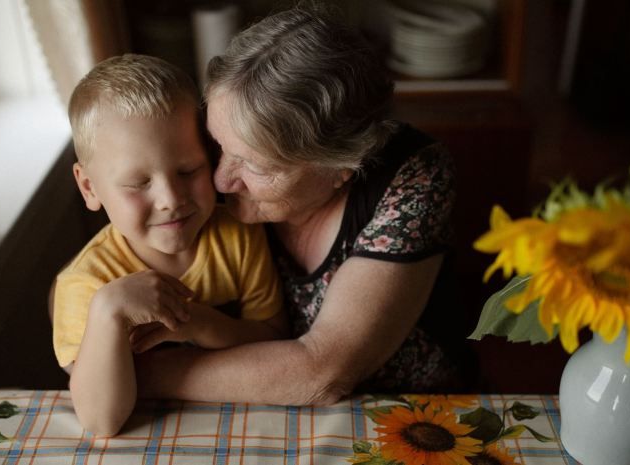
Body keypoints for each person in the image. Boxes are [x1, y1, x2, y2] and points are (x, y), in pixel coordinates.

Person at [131, 5, 469, 404]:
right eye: (219, 146)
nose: (221, 180)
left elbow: (322, 375)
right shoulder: (201, 166)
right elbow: (109, 256)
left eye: (257, 166)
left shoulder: (413, 175)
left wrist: (133, 376)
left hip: (407, 412)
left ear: (341, 168)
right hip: (246, 407)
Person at [52, 54, 287, 436]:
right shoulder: (88, 282)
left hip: (248, 426)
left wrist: (195, 322)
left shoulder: (240, 236)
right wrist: (109, 310)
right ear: (89, 187)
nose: (170, 198)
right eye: (138, 183)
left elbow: (275, 338)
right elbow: (101, 421)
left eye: (188, 171)